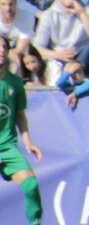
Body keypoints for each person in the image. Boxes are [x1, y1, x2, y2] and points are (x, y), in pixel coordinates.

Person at [0, 36, 43, 225]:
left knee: (31, 185)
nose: (1, 50)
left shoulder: (15, 82)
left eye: (3, 47)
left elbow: (19, 115)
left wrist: (27, 142)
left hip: (7, 147)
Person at [0, 0, 33, 73]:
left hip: (19, 54)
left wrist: (8, 53)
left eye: (11, 4)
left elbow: (20, 48)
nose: (8, 8)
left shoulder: (27, 16)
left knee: (14, 61)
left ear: (16, 3)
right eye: (3, 4)